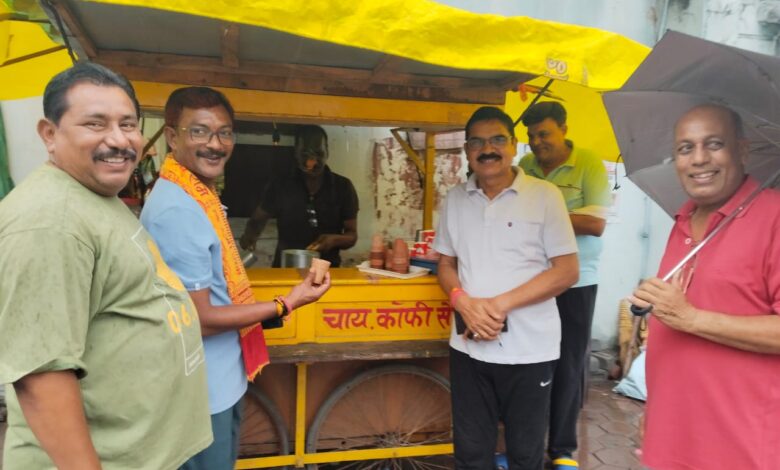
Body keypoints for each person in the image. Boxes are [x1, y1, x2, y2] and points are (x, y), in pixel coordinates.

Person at [0, 63, 211, 469]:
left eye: (127, 124)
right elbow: (42, 377)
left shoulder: (92, 193)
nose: (118, 140)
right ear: (49, 134)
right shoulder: (50, 223)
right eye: (95, 124)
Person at [141, 86, 331, 470]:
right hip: (201, 391)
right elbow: (200, 319)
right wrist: (286, 303)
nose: (215, 144)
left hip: (218, 380)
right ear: (172, 137)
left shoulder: (197, 196)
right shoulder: (178, 209)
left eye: (224, 132)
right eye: (199, 131)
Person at [630, 104, 780, 470]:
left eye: (714, 144)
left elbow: (687, 318)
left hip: (742, 448)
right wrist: (656, 408)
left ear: (742, 150)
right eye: (685, 148)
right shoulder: (683, 220)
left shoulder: (774, 216)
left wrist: (691, 318)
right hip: (674, 437)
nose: (698, 159)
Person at [434, 106, 579, 469]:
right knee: (470, 454)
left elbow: (567, 271)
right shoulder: (455, 198)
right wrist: (461, 301)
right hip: (468, 347)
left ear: (514, 145)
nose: (488, 149)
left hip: (530, 350)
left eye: (498, 139)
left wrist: (499, 305)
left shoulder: (545, 196)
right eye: (477, 142)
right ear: (467, 150)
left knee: (526, 454)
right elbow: (446, 264)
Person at [519, 101, 611, 469]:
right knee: (530, 363)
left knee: (568, 364)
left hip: (577, 280)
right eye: (531, 136)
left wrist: (541, 213)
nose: (537, 142)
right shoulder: (525, 166)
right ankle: (526, 440)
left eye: (544, 134)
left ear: (564, 129)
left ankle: (562, 449)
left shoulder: (589, 164)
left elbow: (596, 224)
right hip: (531, 280)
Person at [239, 125, 358, 267]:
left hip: (327, 272)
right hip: (286, 270)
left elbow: (351, 235)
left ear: (327, 152)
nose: (312, 161)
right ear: (296, 153)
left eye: (319, 153)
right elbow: (258, 219)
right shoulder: (280, 185)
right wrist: (250, 236)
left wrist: (334, 240)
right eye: (305, 154)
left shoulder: (343, 187)